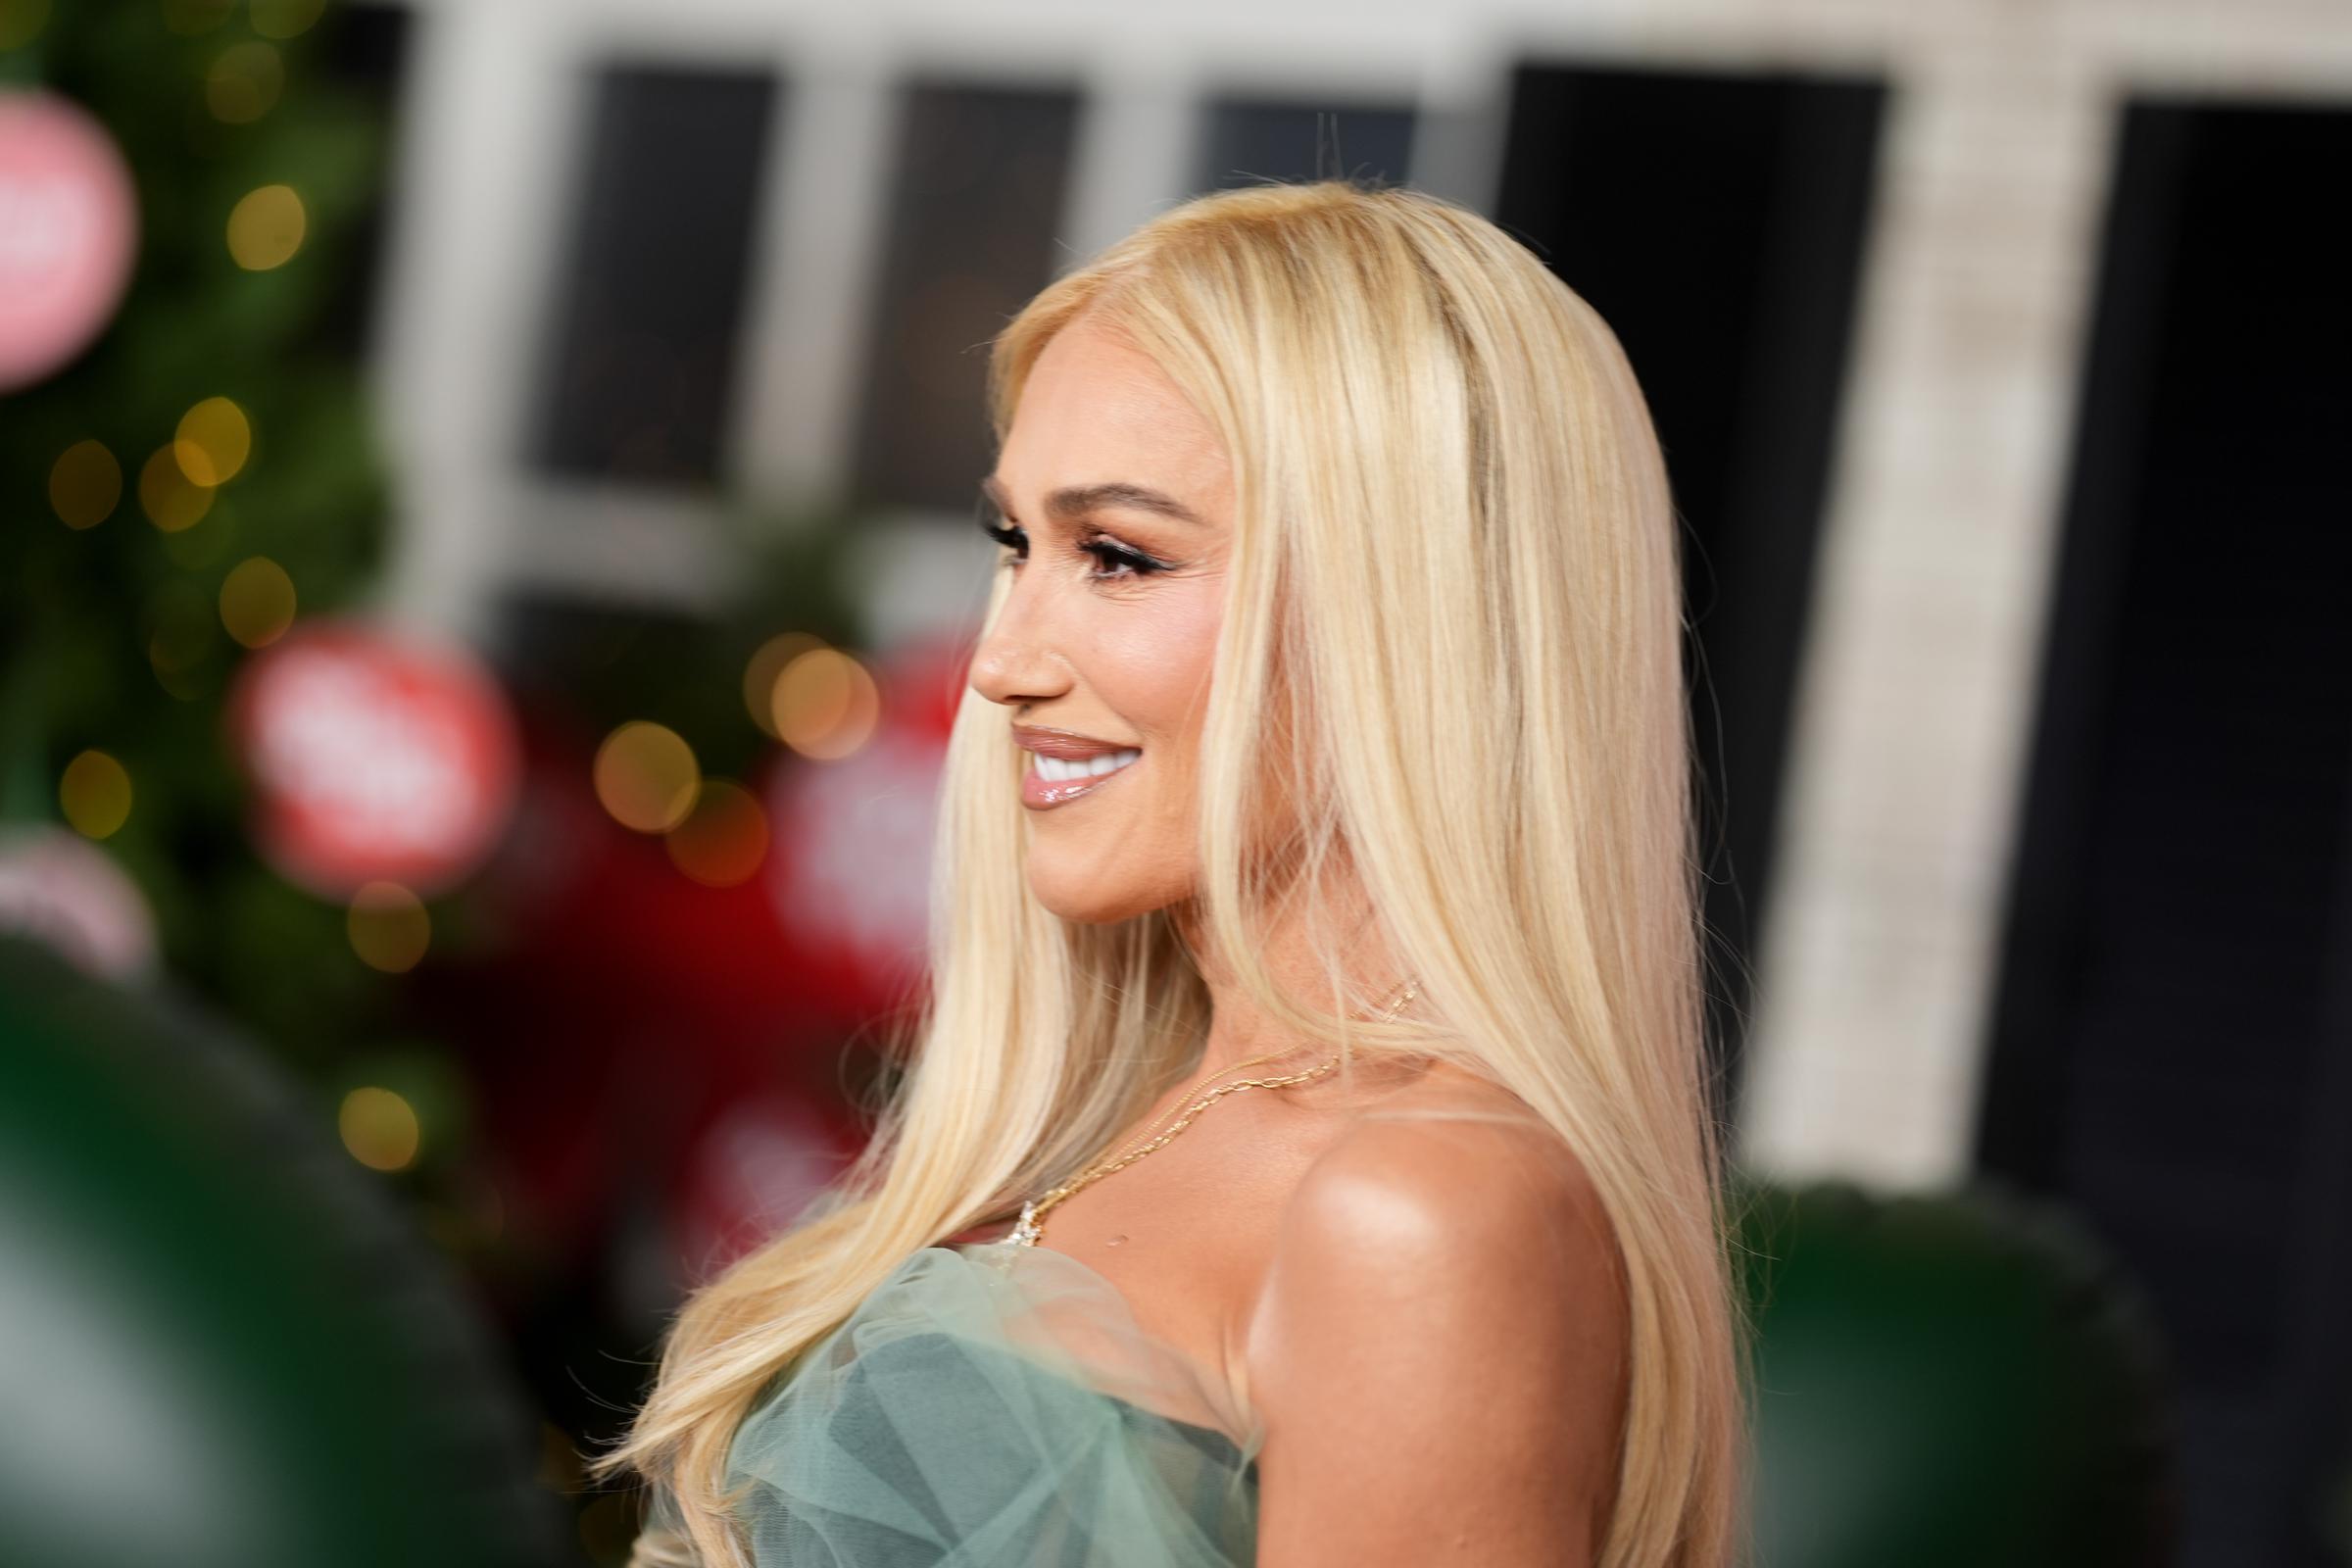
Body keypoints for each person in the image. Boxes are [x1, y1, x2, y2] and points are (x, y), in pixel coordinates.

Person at [591, 177, 1749, 1568]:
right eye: (1017, 545)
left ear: (1407, 616)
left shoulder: (1427, 1211)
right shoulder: (1130, 1109)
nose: (1000, 662)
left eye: (1120, 556)